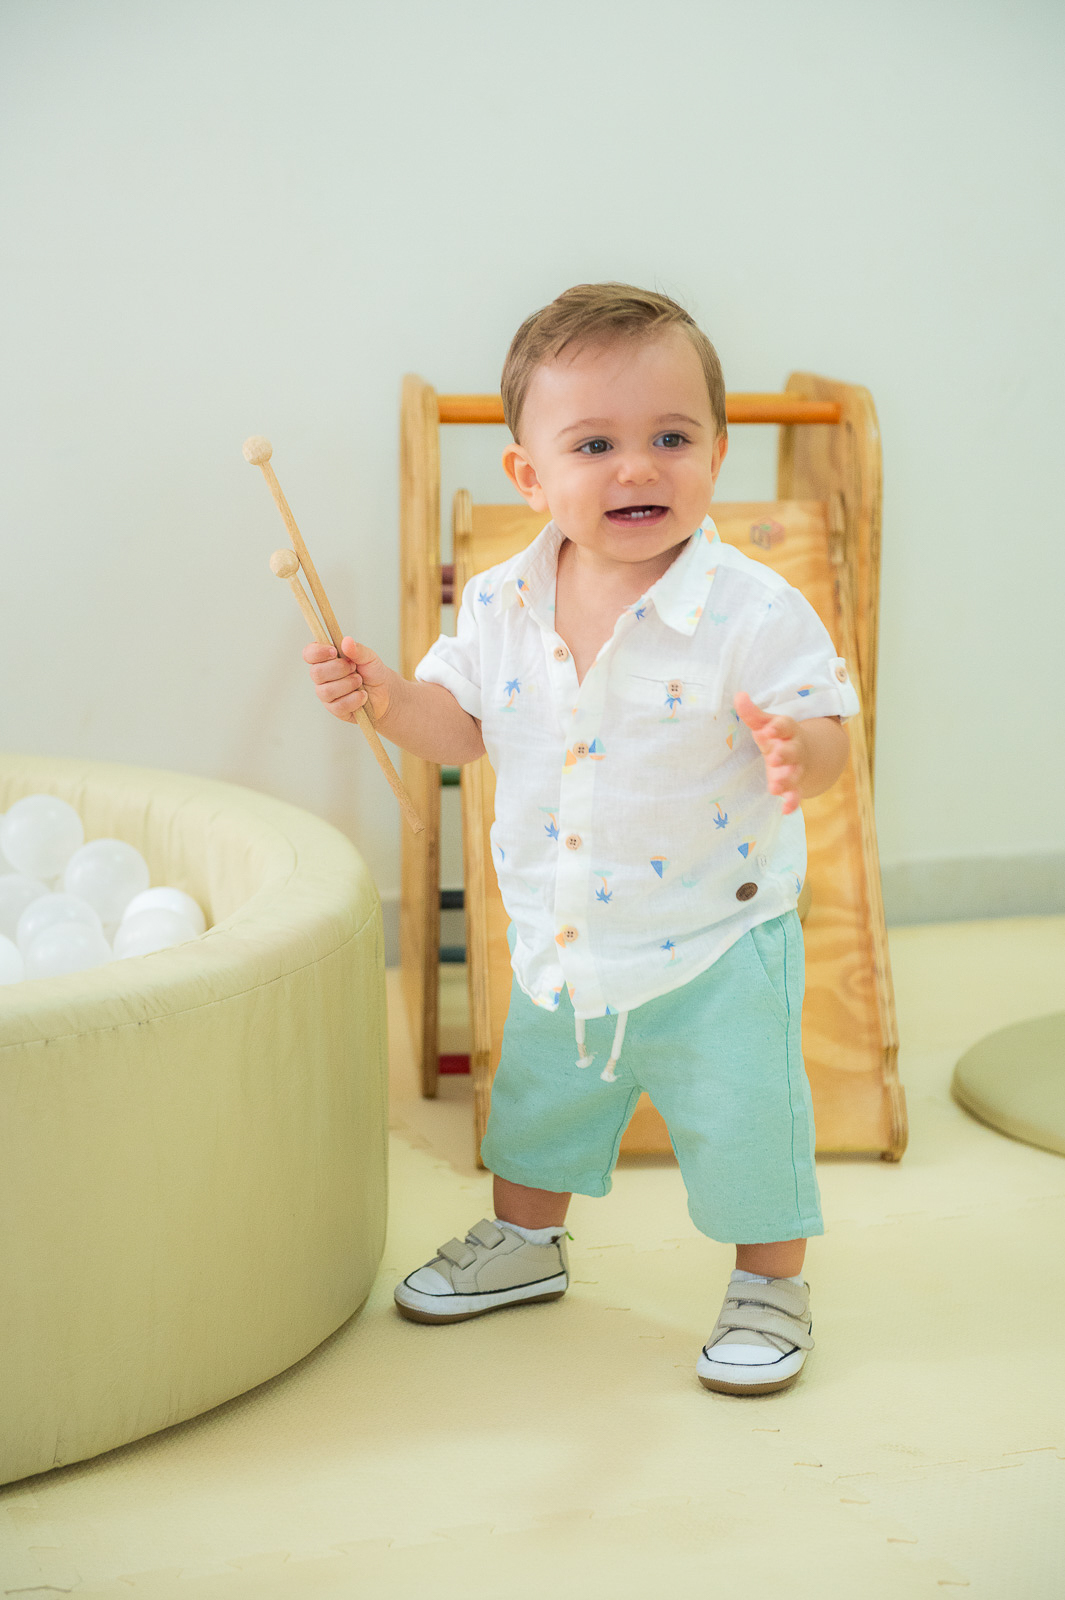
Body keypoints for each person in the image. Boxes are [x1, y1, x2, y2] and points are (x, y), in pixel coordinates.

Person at [304, 283, 858, 1395]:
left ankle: (768, 1280)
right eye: (595, 443)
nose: (638, 467)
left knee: (747, 1119)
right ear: (529, 473)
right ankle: (524, 1241)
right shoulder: (502, 600)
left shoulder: (752, 606)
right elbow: (455, 726)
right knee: (541, 1103)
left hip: (718, 938)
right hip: (566, 933)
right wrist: (381, 698)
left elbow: (833, 723)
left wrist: (803, 748)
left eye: (670, 437)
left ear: (717, 449)